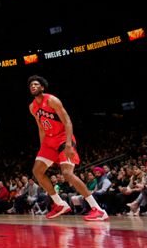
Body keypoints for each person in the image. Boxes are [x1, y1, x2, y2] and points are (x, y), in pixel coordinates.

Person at [27, 75, 108, 221]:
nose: (33, 86)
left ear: (42, 87)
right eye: (31, 85)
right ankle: (60, 204)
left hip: (63, 138)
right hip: (48, 142)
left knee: (67, 174)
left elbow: (67, 121)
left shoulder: (52, 100)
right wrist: (42, 148)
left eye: (36, 84)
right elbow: (41, 128)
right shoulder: (32, 107)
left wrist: (69, 144)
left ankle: (98, 209)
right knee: (37, 171)